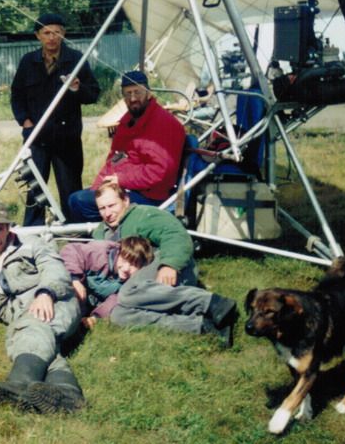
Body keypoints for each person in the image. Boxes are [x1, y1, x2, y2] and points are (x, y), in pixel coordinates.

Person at [0, 202, 84, 414]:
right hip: (21, 320)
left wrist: (46, 292)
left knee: (32, 327)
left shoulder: (31, 244)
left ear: (8, 228)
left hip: (56, 302)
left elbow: (55, 268)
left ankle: (19, 383)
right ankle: (68, 395)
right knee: (31, 339)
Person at [92, 181, 238, 346]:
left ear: (125, 200)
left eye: (112, 205)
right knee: (118, 315)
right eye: (102, 208)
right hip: (138, 288)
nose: (107, 213)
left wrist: (169, 264)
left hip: (169, 270)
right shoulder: (100, 233)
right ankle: (202, 326)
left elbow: (175, 233)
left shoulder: (143, 215)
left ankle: (213, 304)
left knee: (128, 292)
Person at [10, 13, 100, 226]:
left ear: (64, 34)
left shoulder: (75, 59)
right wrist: (25, 122)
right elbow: (16, 96)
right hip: (37, 137)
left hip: (67, 139)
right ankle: (33, 230)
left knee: (70, 188)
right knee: (35, 187)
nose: (52, 37)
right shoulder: (28, 61)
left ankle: (74, 230)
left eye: (56, 32)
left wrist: (77, 88)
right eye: (46, 33)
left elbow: (93, 94)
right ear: (38, 35)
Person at [68, 70, 186, 221]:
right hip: (127, 188)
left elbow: (160, 172)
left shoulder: (165, 124)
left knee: (80, 202)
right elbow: (115, 158)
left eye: (137, 92)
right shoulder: (128, 121)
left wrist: (121, 179)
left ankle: (109, 232)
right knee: (77, 199)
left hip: (151, 197)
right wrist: (99, 187)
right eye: (128, 94)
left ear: (148, 93)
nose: (133, 98)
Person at [60, 235, 153, 329]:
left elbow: (114, 301)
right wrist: (74, 279)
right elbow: (70, 251)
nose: (126, 269)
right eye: (124, 260)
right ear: (119, 253)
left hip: (87, 305)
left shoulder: (131, 283)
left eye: (134, 265)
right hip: (71, 289)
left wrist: (96, 317)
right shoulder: (98, 252)